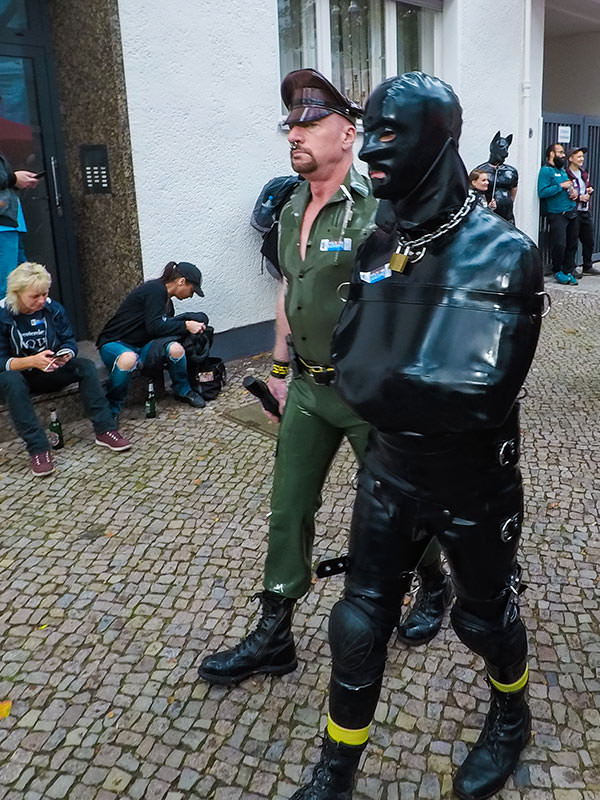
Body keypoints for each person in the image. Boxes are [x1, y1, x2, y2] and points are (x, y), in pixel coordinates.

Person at [288, 72, 545, 800]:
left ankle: (510, 714)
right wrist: (390, 378)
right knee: (359, 624)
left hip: (474, 484)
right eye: (369, 130)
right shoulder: (378, 244)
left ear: (439, 137)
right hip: (391, 471)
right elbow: (351, 368)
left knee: (485, 618)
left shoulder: (504, 252)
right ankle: (336, 772)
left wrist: (379, 379)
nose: (371, 149)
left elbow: (477, 393)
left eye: (391, 133)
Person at [197, 69, 451, 688]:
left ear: (347, 133)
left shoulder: (378, 210)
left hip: (369, 395)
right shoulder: (290, 207)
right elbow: (290, 287)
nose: (295, 135)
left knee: (400, 506)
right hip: (309, 389)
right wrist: (279, 370)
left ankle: (435, 585)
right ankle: (275, 633)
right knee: (288, 510)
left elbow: (417, 300)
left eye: (309, 124)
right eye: (291, 125)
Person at [0, 262, 131, 476]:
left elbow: (68, 341)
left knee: (86, 367)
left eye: (44, 294)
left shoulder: (53, 309)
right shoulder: (3, 315)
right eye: (35, 296)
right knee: (10, 381)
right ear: (17, 293)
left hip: (49, 370)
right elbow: (1, 360)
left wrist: (66, 355)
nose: (41, 300)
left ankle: (105, 429)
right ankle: (39, 449)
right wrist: (32, 361)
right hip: (20, 375)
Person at [96, 261, 207, 414]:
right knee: (128, 359)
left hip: (143, 346)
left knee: (175, 349)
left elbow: (161, 329)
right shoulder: (154, 290)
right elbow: (155, 327)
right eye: (192, 290)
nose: (191, 295)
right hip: (116, 343)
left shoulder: (167, 301)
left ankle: (184, 391)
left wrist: (189, 321)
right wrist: (186, 325)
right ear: (182, 281)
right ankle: (111, 410)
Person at [538, 142, 579, 285]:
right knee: (559, 244)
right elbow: (542, 192)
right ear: (551, 154)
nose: (563, 155)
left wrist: (573, 192)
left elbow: (567, 187)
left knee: (572, 243)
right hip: (556, 213)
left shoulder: (562, 171)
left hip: (571, 211)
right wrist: (561, 186)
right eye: (560, 152)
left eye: (563, 153)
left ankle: (568, 270)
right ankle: (558, 270)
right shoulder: (545, 171)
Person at [0, 152, 39, 296]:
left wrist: (16, 181)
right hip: (3, 227)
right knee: (6, 288)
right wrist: (14, 178)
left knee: (25, 286)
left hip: (11, 224)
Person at [566, 146, 600, 277]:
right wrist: (580, 198)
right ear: (571, 159)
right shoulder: (567, 174)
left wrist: (590, 190)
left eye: (582, 156)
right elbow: (567, 192)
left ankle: (587, 265)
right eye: (578, 156)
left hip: (585, 211)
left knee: (589, 240)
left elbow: (587, 186)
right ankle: (570, 268)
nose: (582, 159)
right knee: (572, 241)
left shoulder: (583, 173)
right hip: (574, 212)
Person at [474, 131, 518, 224]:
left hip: (508, 218)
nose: (505, 151)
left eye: (507, 148)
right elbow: (475, 195)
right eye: (502, 147)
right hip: (488, 218)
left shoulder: (511, 172)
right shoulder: (481, 171)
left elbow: (513, 193)